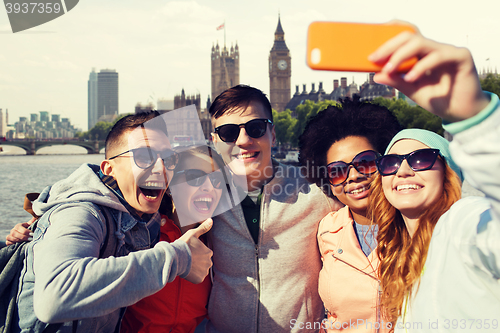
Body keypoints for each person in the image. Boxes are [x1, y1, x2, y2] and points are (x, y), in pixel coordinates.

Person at [13, 111, 213, 332]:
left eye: (168, 159)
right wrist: (178, 258)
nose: (160, 168)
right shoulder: (81, 210)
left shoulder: (142, 214)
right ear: (109, 169)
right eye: (144, 157)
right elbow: (54, 297)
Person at [368, 26, 499, 330]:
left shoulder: (465, 225)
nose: (403, 170)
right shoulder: (397, 259)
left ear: (448, 173)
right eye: (390, 163)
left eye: (422, 159)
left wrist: (474, 119)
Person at [207, 84, 342, 332]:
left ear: (273, 134)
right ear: (214, 141)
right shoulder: (202, 197)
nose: (243, 141)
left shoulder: (315, 190)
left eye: (255, 128)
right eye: (228, 133)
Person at [298, 97, 401, 332]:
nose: (352, 176)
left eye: (365, 163)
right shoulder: (326, 231)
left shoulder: (418, 224)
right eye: (337, 171)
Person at [120, 145, 227, 333]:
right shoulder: (137, 235)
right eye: (195, 177)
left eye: (217, 180)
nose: (209, 187)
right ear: (169, 186)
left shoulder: (219, 244)